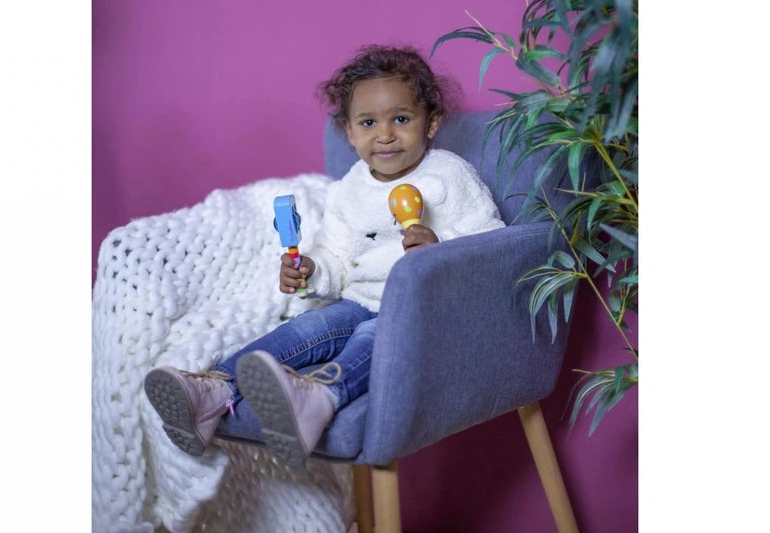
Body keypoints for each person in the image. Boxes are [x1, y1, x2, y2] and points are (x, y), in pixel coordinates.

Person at [143, 44, 505, 468]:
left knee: (370, 339)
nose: (385, 134)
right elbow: (338, 257)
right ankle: (214, 389)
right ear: (349, 132)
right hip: (358, 301)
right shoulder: (349, 189)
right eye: (368, 122)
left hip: (421, 310)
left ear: (431, 123)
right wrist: (311, 270)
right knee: (311, 323)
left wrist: (441, 250)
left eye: (401, 119)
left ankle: (319, 397)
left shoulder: (447, 174)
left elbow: (492, 240)